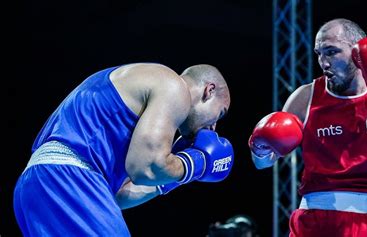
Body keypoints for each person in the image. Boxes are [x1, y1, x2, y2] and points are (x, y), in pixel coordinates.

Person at [248, 18, 367, 236]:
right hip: (315, 221)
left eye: (331, 52)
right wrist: (260, 148)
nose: (323, 62)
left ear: (359, 52)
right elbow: (262, 163)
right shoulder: (306, 97)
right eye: (319, 53)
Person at [13, 62, 234, 236]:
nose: (214, 127)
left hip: (38, 183)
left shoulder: (140, 90)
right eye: (220, 113)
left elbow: (118, 196)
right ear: (209, 90)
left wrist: (175, 175)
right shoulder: (173, 86)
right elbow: (146, 168)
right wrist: (197, 163)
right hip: (68, 179)